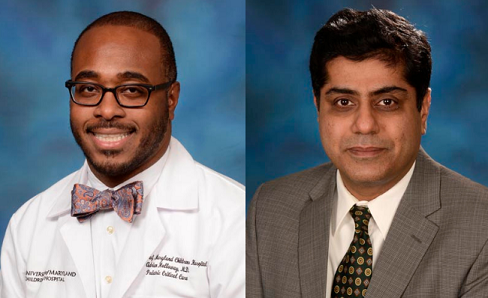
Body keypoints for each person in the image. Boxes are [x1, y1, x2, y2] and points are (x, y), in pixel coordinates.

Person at [247, 8, 488, 298]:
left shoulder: (480, 227)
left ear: (422, 109)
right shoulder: (270, 209)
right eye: (343, 102)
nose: (364, 125)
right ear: (318, 108)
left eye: (387, 102)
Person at [1, 11, 244, 298]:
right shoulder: (29, 223)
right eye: (89, 89)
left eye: (131, 90)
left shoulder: (234, 218)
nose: (106, 110)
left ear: (171, 99)